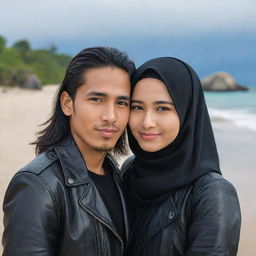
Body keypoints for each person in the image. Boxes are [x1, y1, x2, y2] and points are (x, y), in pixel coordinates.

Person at [2, 47, 135, 256]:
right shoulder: (36, 186)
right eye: (96, 99)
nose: (111, 116)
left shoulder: (116, 173)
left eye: (121, 102)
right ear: (67, 103)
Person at [122, 57, 241, 255]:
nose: (147, 122)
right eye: (137, 107)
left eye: (163, 108)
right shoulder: (129, 170)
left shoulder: (213, 194)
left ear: (188, 112)